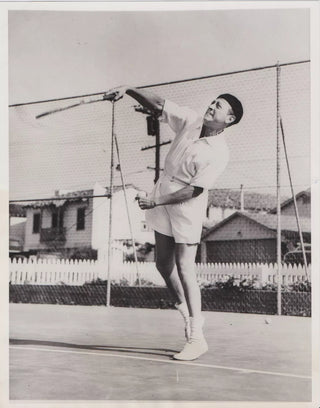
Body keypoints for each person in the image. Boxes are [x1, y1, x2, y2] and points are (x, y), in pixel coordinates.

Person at [104, 85, 243, 360]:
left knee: (185, 266)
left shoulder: (219, 152)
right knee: (162, 264)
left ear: (229, 120)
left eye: (219, 106)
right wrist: (128, 88)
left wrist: (156, 201)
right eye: (212, 100)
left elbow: (195, 190)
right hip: (164, 191)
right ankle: (183, 309)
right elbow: (159, 104)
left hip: (187, 205)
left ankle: (197, 337)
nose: (212, 106)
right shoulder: (191, 120)